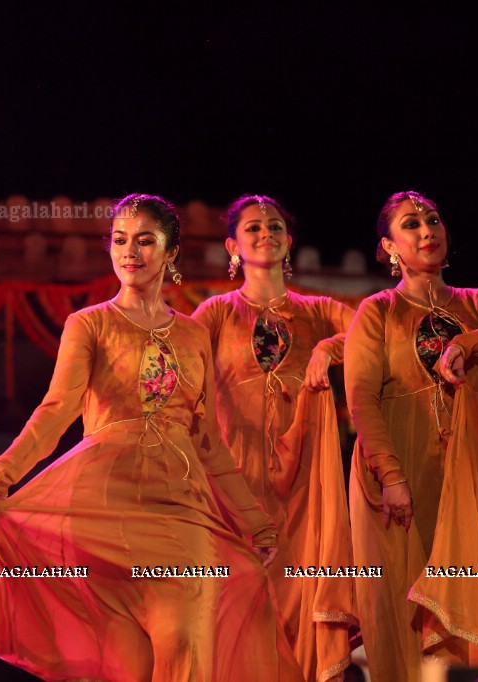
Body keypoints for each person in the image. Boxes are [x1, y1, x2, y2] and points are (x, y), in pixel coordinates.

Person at [0, 193, 302, 681]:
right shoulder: (89, 324)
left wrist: (255, 523)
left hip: (181, 514)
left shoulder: (193, 336)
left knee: (186, 649)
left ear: (170, 252)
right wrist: (1, 474)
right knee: (130, 668)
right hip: (106, 513)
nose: (130, 251)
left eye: (145, 240)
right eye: (120, 240)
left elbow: (207, 439)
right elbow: (56, 411)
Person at [344, 190, 478, 681]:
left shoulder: (477, 303)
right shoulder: (378, 311)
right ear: (389, 247)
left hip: (463, 482)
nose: (427, 231)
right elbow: (360, 401)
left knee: (464, 615)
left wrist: (466, 342)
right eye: (411, 224)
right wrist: (391, 475)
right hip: (394, 478)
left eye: (432, 220)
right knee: (399, 616)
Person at [193, 194, 357, 681]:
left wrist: (329, 346)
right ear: (232, 245)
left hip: (305, 483)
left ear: (290, 242)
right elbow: (178, 366)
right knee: (237, 599)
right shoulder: (215, 313)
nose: (266, 233)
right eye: (253, 228)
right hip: (234, 481)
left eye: (276, 226)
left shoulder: (319, 310)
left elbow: (374, 335)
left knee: (299, 595)